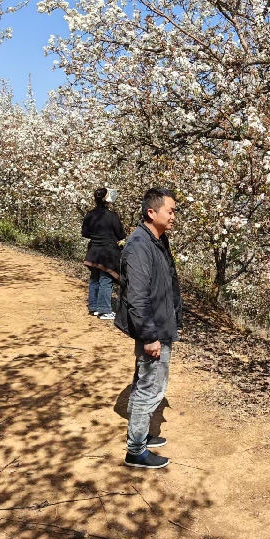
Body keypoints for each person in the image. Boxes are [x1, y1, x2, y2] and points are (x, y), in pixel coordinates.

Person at [114, 187, 181, 469]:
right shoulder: (139, 246)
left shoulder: (156, 240)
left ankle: (142, 436)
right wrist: (150, 337)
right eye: (171, 210)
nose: (174, 216)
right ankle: (136, 450)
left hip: (160, 324)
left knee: (147, 381)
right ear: (151, 213)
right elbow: (137, 297)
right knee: (151, 387)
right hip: (153, 329)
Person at [82, 188, 127, 320]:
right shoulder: (112, 216)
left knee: (94, 278)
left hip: (93, 251)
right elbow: (121, 235)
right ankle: (104, 310)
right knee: (106, 280)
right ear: (107, 200)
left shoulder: (89, 214)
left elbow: (85, 233)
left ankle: (94, 307)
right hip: (108, 252)